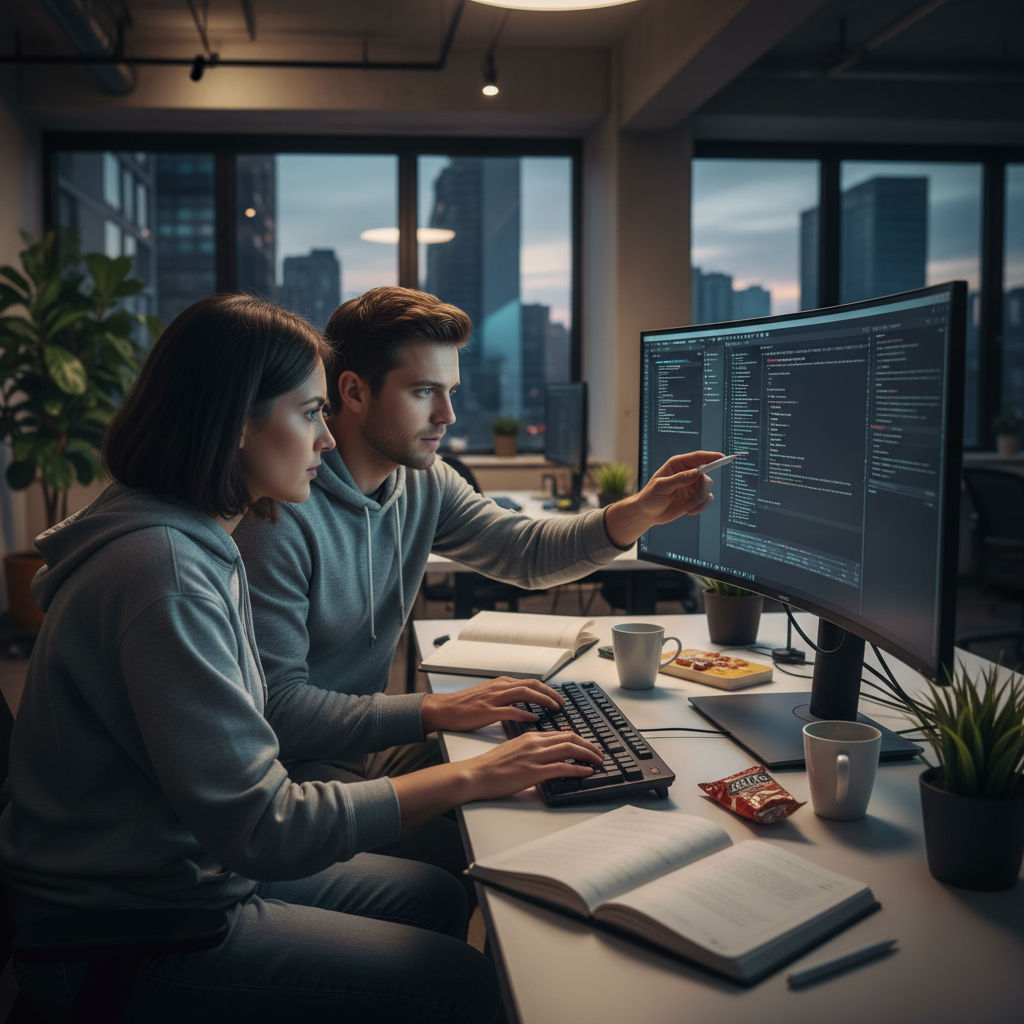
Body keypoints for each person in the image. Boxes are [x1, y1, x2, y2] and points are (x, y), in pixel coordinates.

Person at [0, 294, 604, 1024]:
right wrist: (471, 774)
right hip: (130, 925)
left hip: (188, 867)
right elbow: (266, 824)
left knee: (441, 892)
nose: (326, 439)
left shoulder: (194, 537)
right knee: (462, 985)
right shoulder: (163, 573)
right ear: (236, 422)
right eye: (309, 413)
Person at [232, 286, 721, 873]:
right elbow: (278, 709)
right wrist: (436, 708)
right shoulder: (278, 513)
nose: (448, 415)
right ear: (354, 392)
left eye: (451, 392)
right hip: (297, 781)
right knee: (465, 851)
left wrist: (637, 511)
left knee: (524, 774)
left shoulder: (424, 481)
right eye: (423, 393)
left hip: (359, 749)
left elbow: (523, 551)